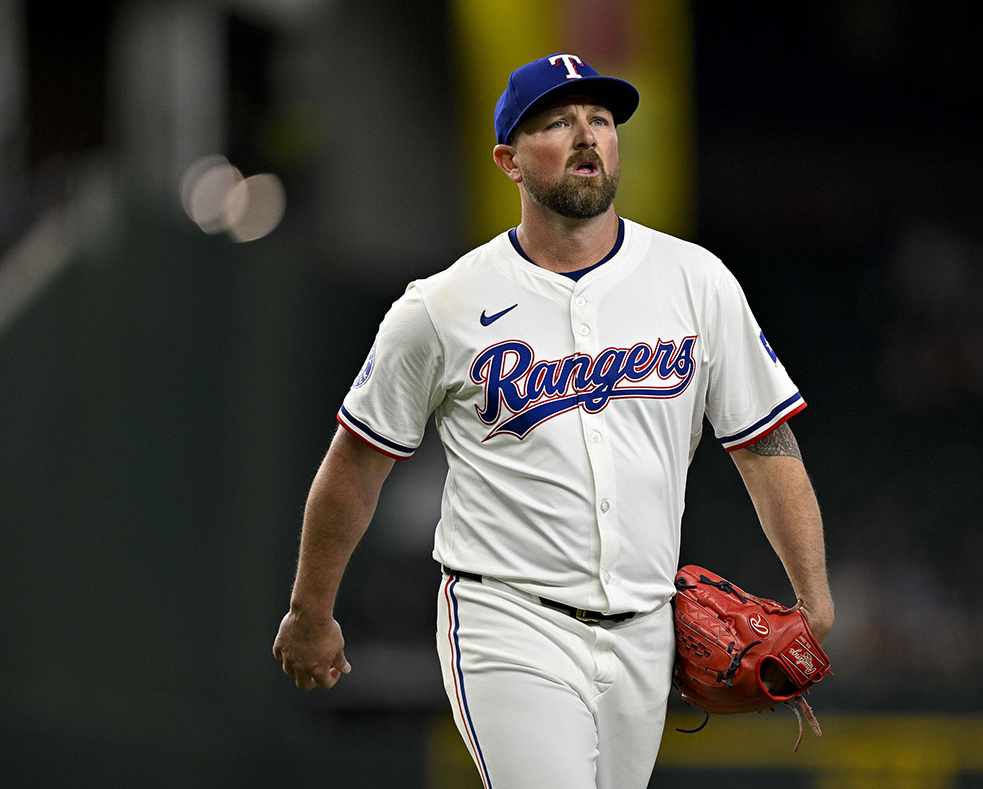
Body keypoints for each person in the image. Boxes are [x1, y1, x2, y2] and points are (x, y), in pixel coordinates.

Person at [272, 53, 834, 789]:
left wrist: (815, 600)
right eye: (557, 122)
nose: (587, 136)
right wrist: (310, 611)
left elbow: (766, 445)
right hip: (507, 618)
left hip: (644, 629)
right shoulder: (441, 306)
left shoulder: (696, 281)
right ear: (508, 160)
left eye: (600, 119)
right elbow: (355, 464)